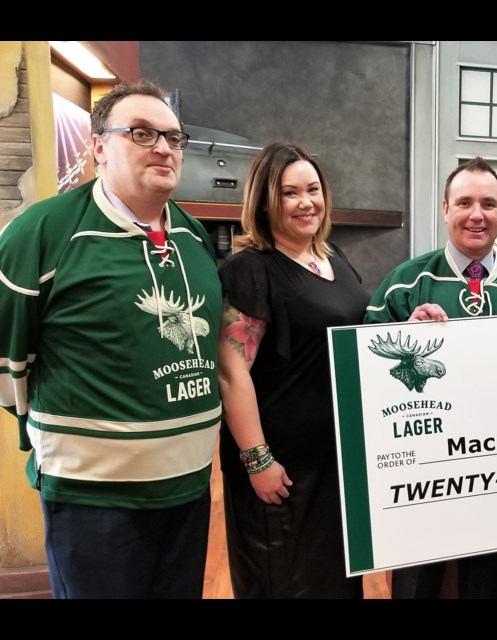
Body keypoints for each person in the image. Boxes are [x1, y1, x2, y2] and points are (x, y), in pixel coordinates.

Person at [0, 79, 222, 598]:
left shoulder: (193, 237)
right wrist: (62, 438)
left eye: (173, 136)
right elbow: (9, 359)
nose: (163, 148)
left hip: (188, 488)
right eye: (141, 133)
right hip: (93, 500)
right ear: (98, 147)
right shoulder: (42, 233)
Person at [364, 156, 497, 598]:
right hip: (421, 471)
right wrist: (404, 340)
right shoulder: (403, 284)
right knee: (416, 584)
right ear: (445, 209)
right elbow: (366, 377)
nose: (477, 214)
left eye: (489, 203)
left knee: (485, 583)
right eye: (464, 202)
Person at [217, 142, 369, 598]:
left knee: (337, 586)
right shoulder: (251, 269)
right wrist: (257, 459)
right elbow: (230, 371)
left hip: (339, 463)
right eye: (289, 193)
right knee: (284, 584)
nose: (306, 203)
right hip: (284, 471)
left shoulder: (333, 257)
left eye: (314, 190)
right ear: (265, 200)